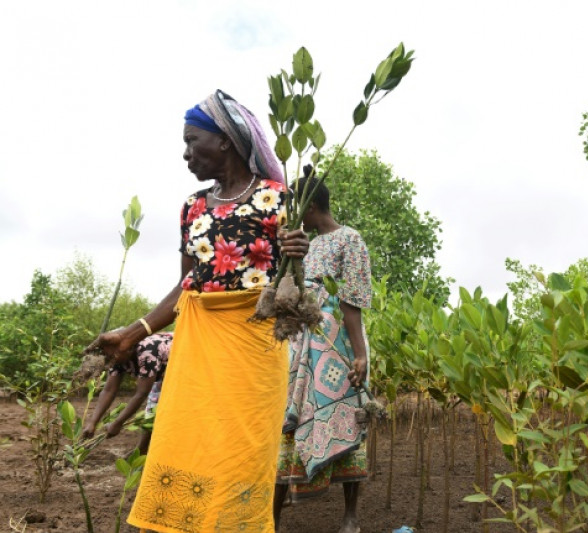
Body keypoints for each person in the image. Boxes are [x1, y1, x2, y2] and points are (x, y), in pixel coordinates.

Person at [87, 90, 289, 533]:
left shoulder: (279, 198)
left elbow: (298, 281)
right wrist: (133, 332)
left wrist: (301, 255)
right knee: (188, 439)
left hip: (255, 344)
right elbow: (186, 285)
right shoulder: (193, 207)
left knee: (243, 447)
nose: (185, 154)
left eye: (191, 141)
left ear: (223, 142)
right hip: (199, 345)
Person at [274, 166, 372, 533]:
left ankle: (350, 516)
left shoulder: (350, 239)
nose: (294, 216)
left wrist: (358, 354)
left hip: (337, 344)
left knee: (348, 417)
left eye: (298, 207)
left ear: (312, 205)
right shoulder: (303, 245)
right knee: (287, 422)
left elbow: (352, 301)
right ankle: (273, 518)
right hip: (300, 346)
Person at [81, 332, 173, 454]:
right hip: (163, 372)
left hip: (186, 361)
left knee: (160, 405)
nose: (110, 358)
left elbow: (142, 393)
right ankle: (142, 450)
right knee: (153, 406)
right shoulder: (116, 358)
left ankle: (142, 450)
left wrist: (118, 423)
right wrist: (92, 423)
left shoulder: (147, 352)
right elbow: (109, 390)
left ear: (128, 349)